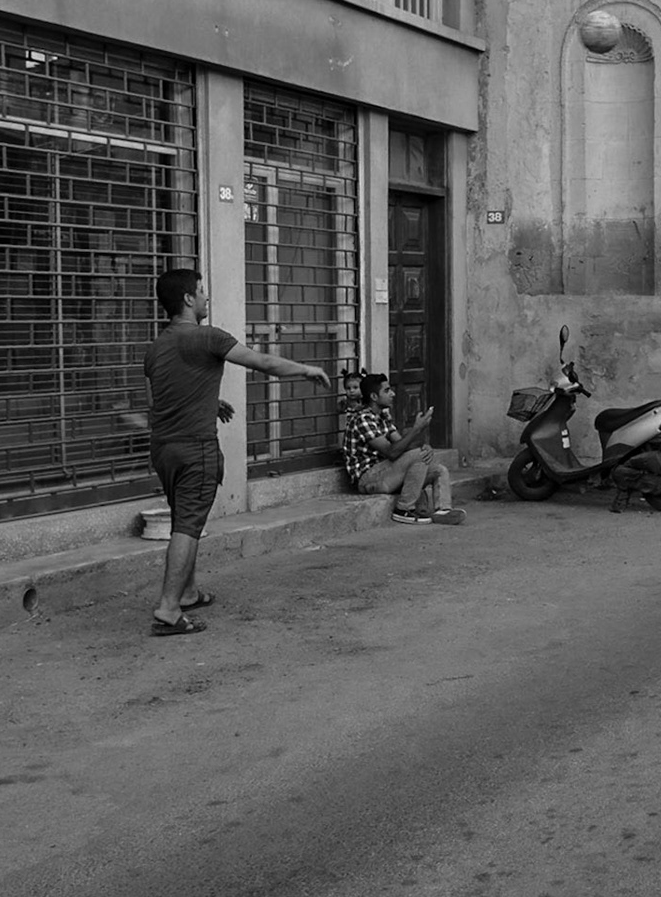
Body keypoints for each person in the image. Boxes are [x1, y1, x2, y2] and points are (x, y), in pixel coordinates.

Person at [142, 268, 331, 636]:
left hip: (164, 449)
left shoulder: (155, 349)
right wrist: (306, 369)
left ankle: (188, 592)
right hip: (196, 447)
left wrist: (209, 402)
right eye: (201, 291)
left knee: (186, 519)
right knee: (187, 526)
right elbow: (263, 363)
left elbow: (157, 403)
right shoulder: (208, 337)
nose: (206, 296)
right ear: (187, 299)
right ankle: (168, 608)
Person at [341, 372, 464, 525]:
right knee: (418, 456)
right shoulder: (363, 419)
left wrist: (424, 446)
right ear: (373, 397)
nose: (392, 394)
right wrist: (416, 429)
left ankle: (443, 510)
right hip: (369, 478)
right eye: (386, 391)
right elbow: (391, 452)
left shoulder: (383, 417)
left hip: (388, 474)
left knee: (439, 470)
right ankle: (403, 509)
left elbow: (401, 445)